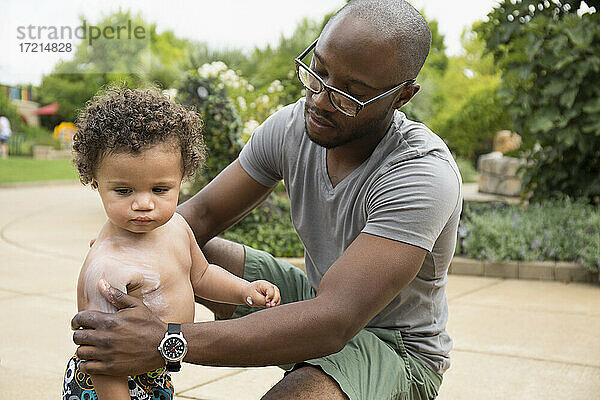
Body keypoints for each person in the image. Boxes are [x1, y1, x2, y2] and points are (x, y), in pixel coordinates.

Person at [71, 1, 463, 399]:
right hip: (318, 300)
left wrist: (167, 340)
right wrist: (120, 250)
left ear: (402, 96)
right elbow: (199, 215)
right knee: (182, 244)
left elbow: (335, 320)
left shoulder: (421, 173)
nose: (321, 100)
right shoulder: (295, 125)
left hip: (395, 349)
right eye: (319, 72)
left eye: (351, 95)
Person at [63, 87, 281, 400]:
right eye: (124, 191)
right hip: (111, 383)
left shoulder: (176, 227)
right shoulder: (107, 268)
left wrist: (243, 290)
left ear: (181, 180)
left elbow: (201, 276)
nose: (143, 204)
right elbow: (100, 357)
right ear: (96, 183)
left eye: (160, 190)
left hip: (154, 367)